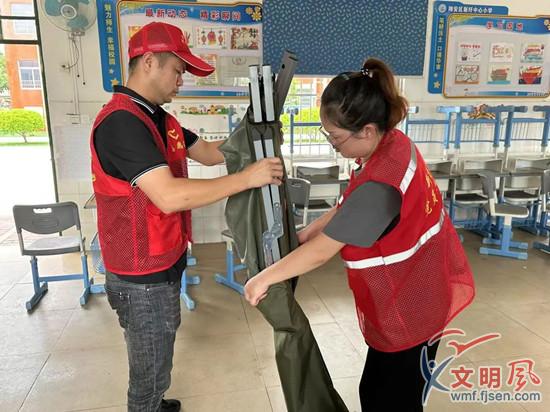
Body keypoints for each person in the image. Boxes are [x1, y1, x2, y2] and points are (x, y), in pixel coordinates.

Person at [244, 58, 475, 411]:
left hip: (412, 304)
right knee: (379, 388)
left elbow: (323, 252)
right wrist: (305, 233)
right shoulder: (392, 143)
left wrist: (263, 279)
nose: (332, 144)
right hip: (420, 287)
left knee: (391, 399)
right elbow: (346, 207)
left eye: (336, 137)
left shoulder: (382, 186)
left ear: (366, 130)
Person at [90, 22, 283, 412]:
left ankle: (157, 401)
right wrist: (246, 178)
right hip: (140, 273)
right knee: (148, 368)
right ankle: (148, 404)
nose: (182, 81)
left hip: (165, 257)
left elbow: (211, 153)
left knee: (160, 347)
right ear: (149, 62)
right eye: (178, 71)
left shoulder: (162, 120)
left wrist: (253, 129)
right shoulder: (122, 122)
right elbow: (169, 196)